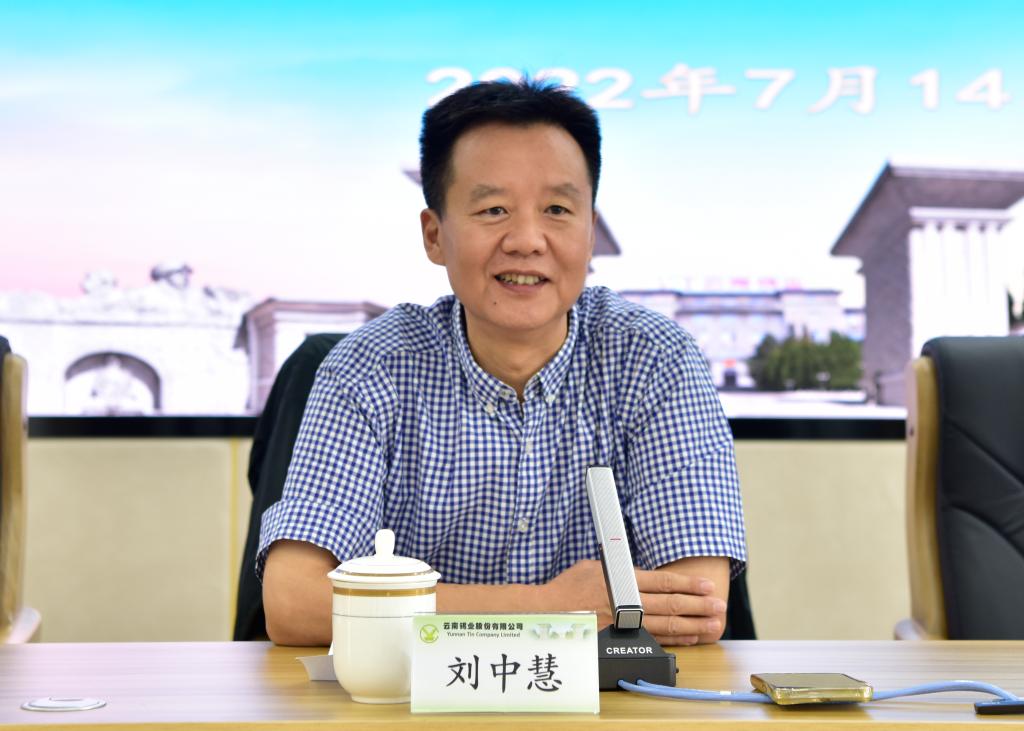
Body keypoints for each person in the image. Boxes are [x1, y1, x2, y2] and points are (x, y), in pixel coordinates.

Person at [258, 79, 746, 647]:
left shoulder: (654, 360)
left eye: (557, 209)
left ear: (590, 233)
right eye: (494, 210)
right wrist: (545, 609)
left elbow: (693, 605)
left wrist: (408, 612)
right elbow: (293, 603)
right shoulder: (371, 367)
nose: (527, 241)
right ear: (434, 235)